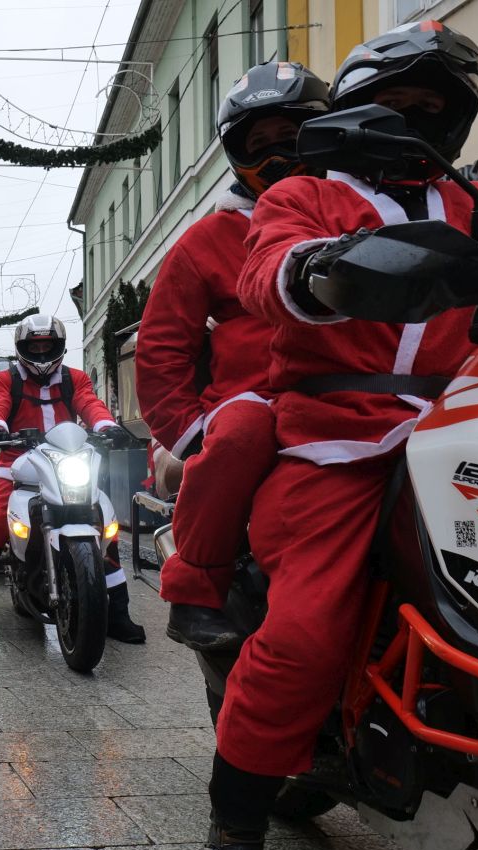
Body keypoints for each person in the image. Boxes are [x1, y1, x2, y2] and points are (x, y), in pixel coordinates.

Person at [201, 23, 478, 850]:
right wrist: (325, 267)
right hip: (337, 440)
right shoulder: (306, 196)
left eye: (436, 108)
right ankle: (234, 830)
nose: (419, 120)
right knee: (307, 631)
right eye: (400, 104)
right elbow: (266, 273)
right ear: (354, 109)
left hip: (476, 427)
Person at [135, 61, 331, 652]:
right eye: (261, 146)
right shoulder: (207, 239)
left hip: (350, 392)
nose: (278, 159)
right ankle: (194, 587)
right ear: (237, 155)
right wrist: (193, 435)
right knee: (243, 433)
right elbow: (161, 345)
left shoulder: (359, 213)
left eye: (291, 141)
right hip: (253, 401)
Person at [0, 315, 145, 644]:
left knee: (101, 517)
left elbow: (91, 404)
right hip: (17, 462)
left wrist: (106, 427)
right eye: (34, 345)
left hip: (68, 458)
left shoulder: (75, 378)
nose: (41, 351)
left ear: (58, 346)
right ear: (23, 348)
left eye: (47, 345)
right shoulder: (5, 380)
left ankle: (118, 611)